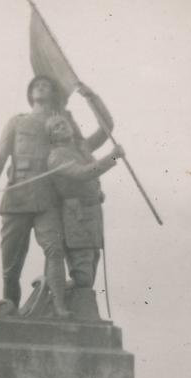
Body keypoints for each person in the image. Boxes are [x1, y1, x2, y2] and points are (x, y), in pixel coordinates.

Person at [0, 75, 113, 315]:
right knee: (11, 264)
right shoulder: (17, 122)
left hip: (48, 200)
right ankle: (10, 308)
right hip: (16, 197)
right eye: (36, 85)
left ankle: (58, 305)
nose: (40, 86)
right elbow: (0, 157)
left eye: (46, 85)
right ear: (29, 94)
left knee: (54, 251)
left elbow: (92, 141)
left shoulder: (63, 123)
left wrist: (91, 97)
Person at [46, 113, 123, 290]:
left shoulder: (82, 148)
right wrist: (112, 157)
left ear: (72, 127)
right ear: (51, 136)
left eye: (63, 124)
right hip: (76, 215)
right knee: (83, 277)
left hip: (93, 214)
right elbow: (82, 173)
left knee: (91, 267)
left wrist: (89, 95)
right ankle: (53, 288)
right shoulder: (57, 156)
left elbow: (107, 126)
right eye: (55, 127)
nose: (61, 128)